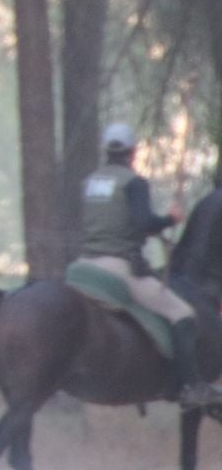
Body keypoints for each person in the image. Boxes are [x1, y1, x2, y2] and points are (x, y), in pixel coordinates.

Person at [77, 122, 221, 408]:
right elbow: (143, 223)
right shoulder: (133, 182)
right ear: (132, 151)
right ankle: (193, 386)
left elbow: (113, 221)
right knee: (181, 313)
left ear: (106, 149)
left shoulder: (90, 182)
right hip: (117, 268)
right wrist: (169, 220)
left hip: (84, 266)